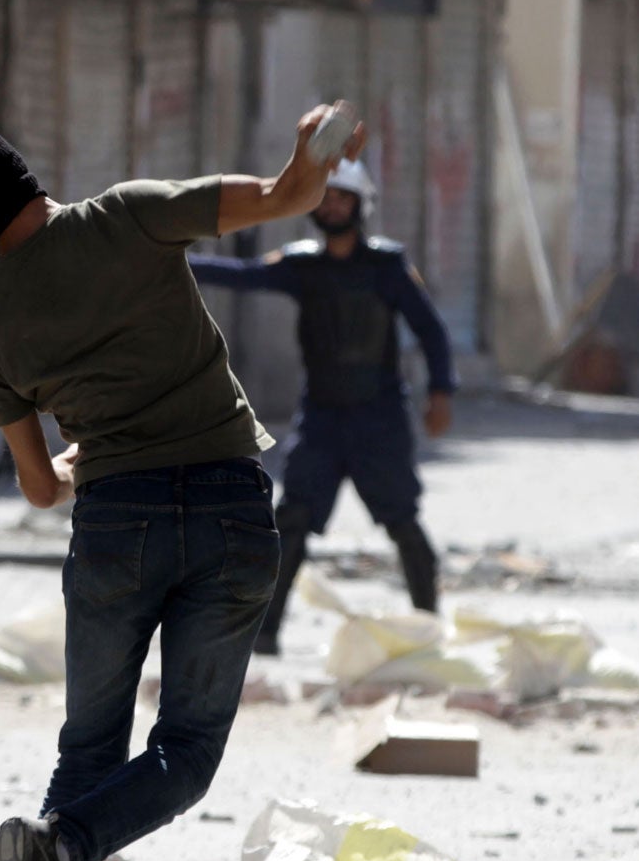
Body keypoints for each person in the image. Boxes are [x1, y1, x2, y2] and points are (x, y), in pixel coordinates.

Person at [0, 102, 365, 861]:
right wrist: (314, 149)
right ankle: (65, 850)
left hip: (111, 522)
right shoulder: (127, 216)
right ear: (25, 174)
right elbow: (290, 197)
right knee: (184, 755)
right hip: (225, 511)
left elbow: (36, 486)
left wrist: (86, 453)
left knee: (85, 759)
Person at [189, 159, 455, 651]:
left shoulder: (387, 267)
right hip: (322, 421)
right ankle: (265, 635)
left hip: (380, 419)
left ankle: (428, 629)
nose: (333, 206)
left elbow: (432, 331)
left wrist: (441, 393)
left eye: (343, 198)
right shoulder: (301, 266)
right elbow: (243, 275)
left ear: (360, 206)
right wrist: (174, 260)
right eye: (325, 197)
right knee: (290, 521)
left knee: (402, 522)